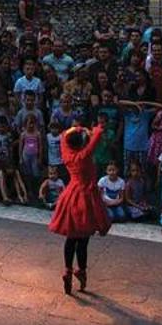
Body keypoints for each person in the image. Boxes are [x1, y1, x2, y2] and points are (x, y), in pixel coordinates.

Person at [47, 120, 108, 295]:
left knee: (71, 237)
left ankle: (67, 269)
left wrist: (79, 129)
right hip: (85, 198)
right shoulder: (85, 155)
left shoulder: (66, 153)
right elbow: (97, 134)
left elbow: (64, 134)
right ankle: (81, 270)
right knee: (83, 239)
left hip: (70, 194)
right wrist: (92, 129)